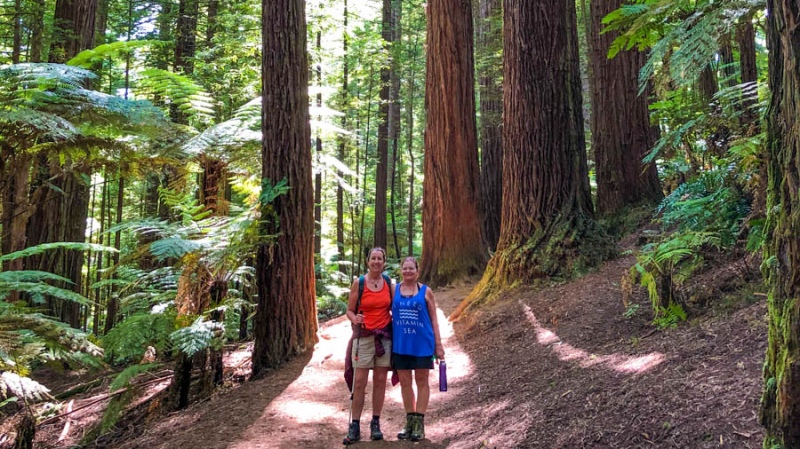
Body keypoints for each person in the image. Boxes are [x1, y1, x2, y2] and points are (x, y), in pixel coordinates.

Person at [343, 247, 394, 444]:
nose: (376, 262)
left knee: (380, 381)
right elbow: (349, 310)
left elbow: (394, 307)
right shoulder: (360, 283)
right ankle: (354, 424)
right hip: (363, 337)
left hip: (383, 338)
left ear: (384, 262)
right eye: (373, 258)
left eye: (380, 259)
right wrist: (354, 317)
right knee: (359, 382)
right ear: (368, 261)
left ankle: (376, 422)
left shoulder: (388, 283)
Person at [392, 256, 445, 441]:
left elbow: (434, 320)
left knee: (422, 381)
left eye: (411, 269)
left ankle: (419, 423)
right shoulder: (394, 290)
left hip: (422, 344)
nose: (408, 271)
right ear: (401, 270)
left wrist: (439, 346)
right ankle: (409, 419)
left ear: (417, 271)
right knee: (405, 382)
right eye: (405, 268)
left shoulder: (426, 291)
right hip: (401, 344)